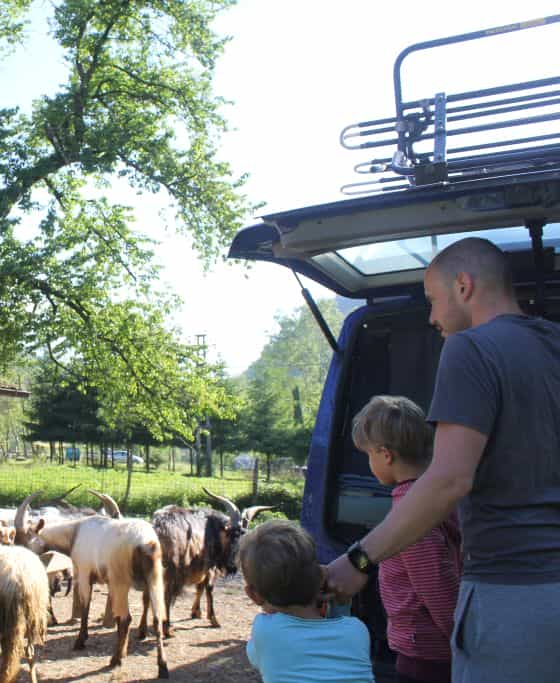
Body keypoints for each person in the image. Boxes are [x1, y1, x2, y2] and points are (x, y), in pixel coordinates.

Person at [323, 237, 560, 682]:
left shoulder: (470, 348)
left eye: (433, 300)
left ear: (464, 286)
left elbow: (449, 479)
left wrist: (357, 562)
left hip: (510, 597)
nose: (432, 317)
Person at [352, 395, 462, 683]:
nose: (370, 463)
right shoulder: (434, 497)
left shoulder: (412, 512)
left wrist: (462, 643)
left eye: (369, 455)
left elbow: (437, 587)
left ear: (386, 455)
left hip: (425, 656)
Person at [240, 519, 374, 683]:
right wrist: (339, 600)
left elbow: (255, 658)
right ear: (320, 576)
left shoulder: (264, 631)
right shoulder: (357, 631)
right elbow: (339, 622)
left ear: (253, 595)